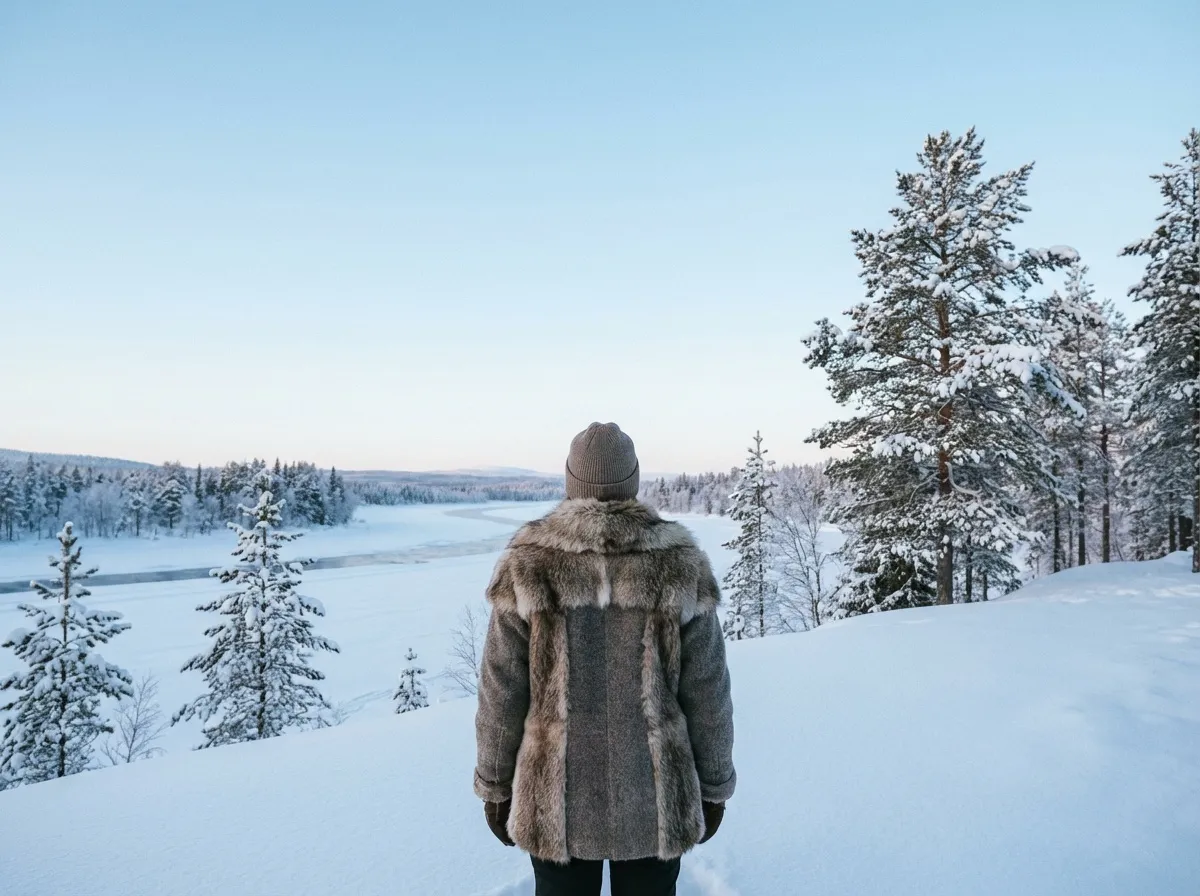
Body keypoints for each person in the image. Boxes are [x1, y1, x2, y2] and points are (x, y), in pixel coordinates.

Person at [474, 422, 736, 896]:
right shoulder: (679, 563)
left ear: (570, 481)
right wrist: (715, 784)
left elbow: (502, 689)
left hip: (555, 801)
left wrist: (494, 784)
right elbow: (707, 690)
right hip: (656, 799)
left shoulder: (528, 563)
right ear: (632, 481)